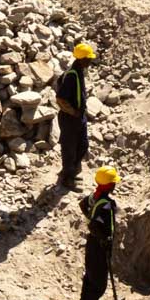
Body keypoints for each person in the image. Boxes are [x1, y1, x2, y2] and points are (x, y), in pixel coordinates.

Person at [76, 166, 120, 300]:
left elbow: (82, 204)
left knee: (90, 276)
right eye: (114, 183)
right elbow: (96, 225)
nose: (115, 185)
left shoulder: (94, 197)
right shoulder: (107, 204)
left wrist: (90, 217)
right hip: (99, 246)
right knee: (99, 282)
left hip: (91, 243)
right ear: (109, 186)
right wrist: (105, 239)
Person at [53, 41, 97, 192]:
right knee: (69, 148)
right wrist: (73, 112)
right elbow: (60, 99)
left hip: (79, 117)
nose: (91, 61)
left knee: (83, 145)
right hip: (70, 118)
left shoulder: (78, 71)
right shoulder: (72, 76)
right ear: (82, 59)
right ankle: (67, 178)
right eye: (89, 58)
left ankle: (70, 170)